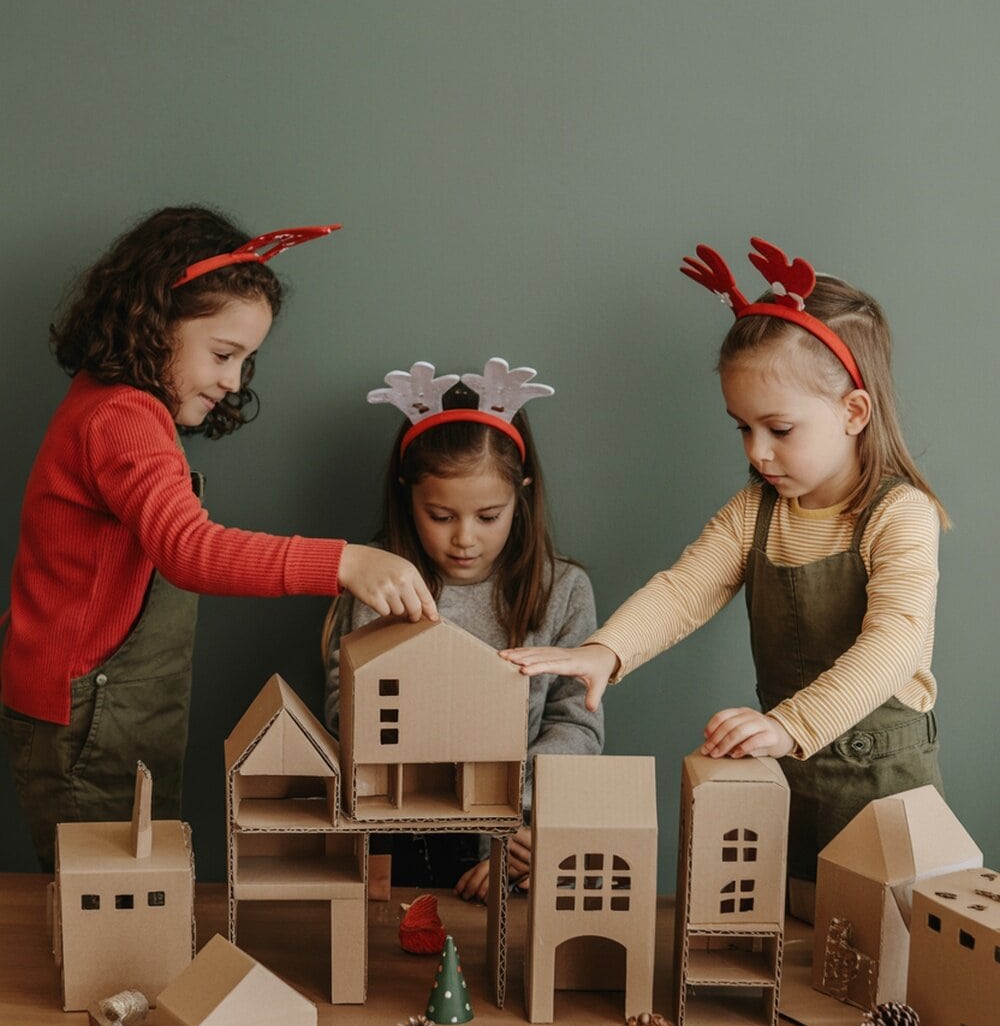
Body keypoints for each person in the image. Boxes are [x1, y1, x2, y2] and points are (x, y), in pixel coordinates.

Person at [504, 238, 947, 921]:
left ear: (854, 413)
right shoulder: (755, 511)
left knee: (884, 946)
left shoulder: (901, 515)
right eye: (742, 428)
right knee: (797, 948)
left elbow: (894, 645)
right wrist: (606, 651)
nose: (756, 452)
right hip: (787, 781)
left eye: (779, 428)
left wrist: (790, 722)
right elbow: (687, 588)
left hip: (885, 791)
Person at [0, 206, 437, 869]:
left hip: (107, 702)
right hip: (91, 712)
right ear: (155, 325)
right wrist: (342, 560)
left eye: (245, 360)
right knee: (118, 899)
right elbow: (190, 550)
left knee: (132, 890)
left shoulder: (118, 406)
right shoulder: (122, 418)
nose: (234, 380)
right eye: (224, 354)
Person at [323, 358, 603, 901]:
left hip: (506, 841)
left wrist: (518, 824)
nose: (465, 539)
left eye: (488, 516)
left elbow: (578, 726)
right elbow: (343, 712)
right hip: (393, 834)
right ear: (409, 497)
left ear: (521, 494)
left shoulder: (562, 590)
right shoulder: (373, 579)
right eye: (442, 516)